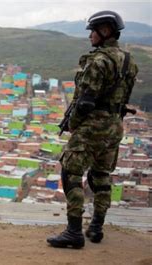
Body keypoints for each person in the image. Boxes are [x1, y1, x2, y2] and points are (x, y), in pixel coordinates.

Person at [47, 10, 138, 249]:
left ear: (105, 31)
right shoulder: (129, 61)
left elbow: (85, 102)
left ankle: (74, 231)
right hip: (114, 126)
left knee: (70, 172)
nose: (90, 37)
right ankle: (96, 228)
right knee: (101, 175)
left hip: (92, 126)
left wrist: (72, 123)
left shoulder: (98, 61)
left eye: (93, 32)